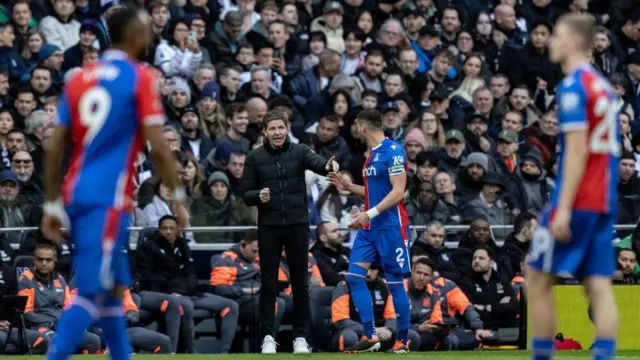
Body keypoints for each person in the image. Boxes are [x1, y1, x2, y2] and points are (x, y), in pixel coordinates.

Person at [39, 8, 189, 360]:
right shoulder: (139, 77)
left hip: (81, 191)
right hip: (107, 196)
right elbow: (160, 148)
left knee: (113, 289)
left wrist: (50, 202)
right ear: (135, 36)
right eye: (147, 29)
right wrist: (178, 197)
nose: (151, 35)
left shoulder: (79, 78)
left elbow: (55, 146)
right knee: (91, 290)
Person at [526, 14, 620, 360]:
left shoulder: (572, 87)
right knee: (598, 285)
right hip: (603, 199)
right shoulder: (604, 88)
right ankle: (604, 356)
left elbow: (577, 150)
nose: (552, 42)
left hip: (578, 198)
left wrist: (563, 207)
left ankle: (542, 356)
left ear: (576, 43)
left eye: (558, 36)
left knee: (535, 278)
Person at [239, 110, 339, 354]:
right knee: (269, 284)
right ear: (265, 131)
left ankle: (300, 338)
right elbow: (245, 193)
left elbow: (319, 165)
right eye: (271, 128)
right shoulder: (254, 157)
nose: (276, 132)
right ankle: (268, 339)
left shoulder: (301, 151)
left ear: (287, 129)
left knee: (300, 283)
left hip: (297, 225)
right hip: (269, 227)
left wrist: (328, 165)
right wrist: (257, 196)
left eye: (280, 128)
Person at [328, 108, 411, 353]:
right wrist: (348, 186)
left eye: (356, 125)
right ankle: (370, 335)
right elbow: (374, 193)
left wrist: (368, 214)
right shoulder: (371, 155)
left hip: (391, 227)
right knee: (354, 277)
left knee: (395, 284)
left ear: (363, 126)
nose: (355, 129)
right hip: (369, 228)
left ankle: (403, 341)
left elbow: (397, 193)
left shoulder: (393, 151)